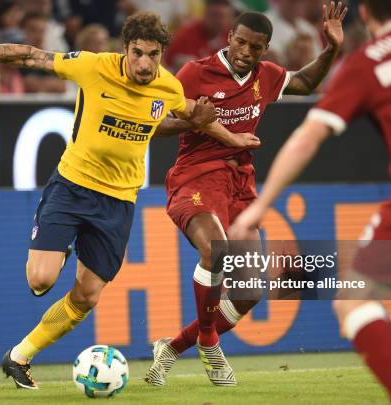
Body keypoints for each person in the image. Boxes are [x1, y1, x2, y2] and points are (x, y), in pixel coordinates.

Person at [0, 11, 257, 390]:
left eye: (153, 54)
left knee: (87, 296)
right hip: (73, 187)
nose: (145, 63)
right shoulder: (92, 66)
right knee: (40, 281)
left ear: (162, 54)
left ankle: (18, 356)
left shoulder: (168, 87)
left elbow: (182, 117)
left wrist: (228, 136)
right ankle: (60, 246)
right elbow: (29, 55)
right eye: (137, 53)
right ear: (124, 50)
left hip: (118, 202)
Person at [229, 1, 391, 403]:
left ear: (366, 15)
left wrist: (260, 205)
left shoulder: (368, 62)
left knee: (355, 300)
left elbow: (306, 139)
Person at [145, 2, 347, 387]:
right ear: (229, 38)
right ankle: (208, 341)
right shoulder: (194, 72)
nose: (246, 52)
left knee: (250, 290)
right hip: (196, 178)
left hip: (240, 184)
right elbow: (154, 124)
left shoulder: (265, 76)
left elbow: (304, 83)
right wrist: (191, 119)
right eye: (241, 43)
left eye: (255, 48)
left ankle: (171, 348)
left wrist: (332, 47)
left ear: (265, 50)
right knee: (215, 250)